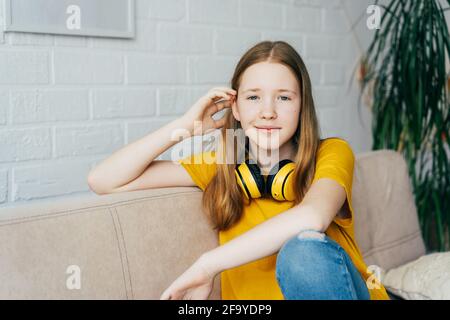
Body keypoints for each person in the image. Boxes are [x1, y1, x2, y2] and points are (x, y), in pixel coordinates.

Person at [87, 41, 390, 300]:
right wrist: (185, 125)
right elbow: (103, 179)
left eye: (284, 97)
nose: (268, 111)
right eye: (253, 97)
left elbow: (312, 217)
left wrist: (207, 265)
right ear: (235, 108)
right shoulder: (223, 164)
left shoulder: (332, 152)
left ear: (302, 106)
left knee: (302, 252)